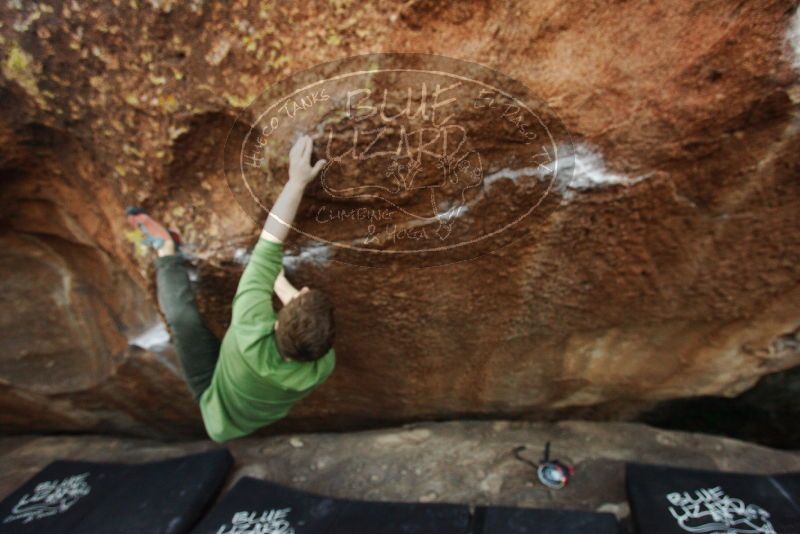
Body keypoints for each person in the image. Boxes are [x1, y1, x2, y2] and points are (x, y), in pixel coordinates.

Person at [128, 135, 335, 442]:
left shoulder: (249, 323)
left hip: (214, 401)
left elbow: (271, 239)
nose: (300, 290)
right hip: (248, 404)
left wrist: (296, 181)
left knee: (183, 320)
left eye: (299, 294)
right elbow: (306, 327)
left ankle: (166, 250)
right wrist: (280, 286)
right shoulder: (322, 366)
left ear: (275, 323)